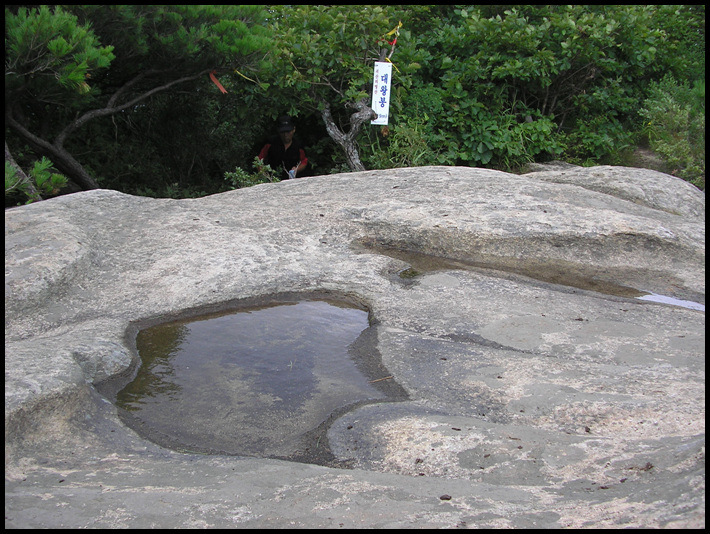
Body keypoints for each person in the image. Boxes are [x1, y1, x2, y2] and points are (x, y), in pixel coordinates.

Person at [257, 115, 308, 180]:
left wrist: (296, 169)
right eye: (283, 132)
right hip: (272, 179)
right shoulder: (270, 143)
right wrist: (263, 174)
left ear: (294, 130)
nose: (285, 135)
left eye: (288, 132)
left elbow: (304, 161)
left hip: (292, 180)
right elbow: (259, 159)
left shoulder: (298, 146)